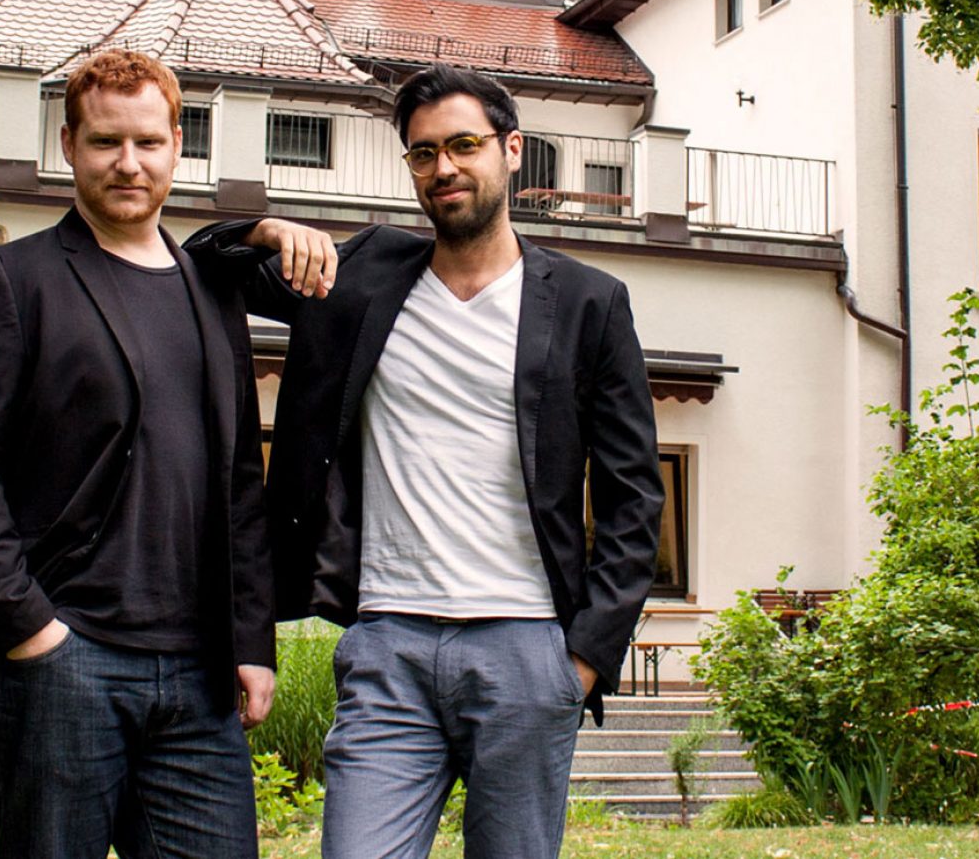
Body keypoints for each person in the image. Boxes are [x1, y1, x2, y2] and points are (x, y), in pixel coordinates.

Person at [187, 63, 664, 859]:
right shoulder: (363, 275)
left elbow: (632, 496)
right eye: (422, 153)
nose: (443, 167)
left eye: (464, 145)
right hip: (388, 643)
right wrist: (267, 230)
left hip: (525, 649)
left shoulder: (588, 302)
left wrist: (582, 658)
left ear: (511, 151)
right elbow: (202, 266)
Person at [0, 50, 275, 859]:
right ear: (69, 144)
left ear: (176, 147)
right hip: (64, 661)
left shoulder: (211, 291)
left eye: (148, 143)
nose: (129, 163)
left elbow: (239, 484)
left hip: (199, 676)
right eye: (106, 142)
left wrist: (251, 642)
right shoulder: (12, 281)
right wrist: (29, 629)